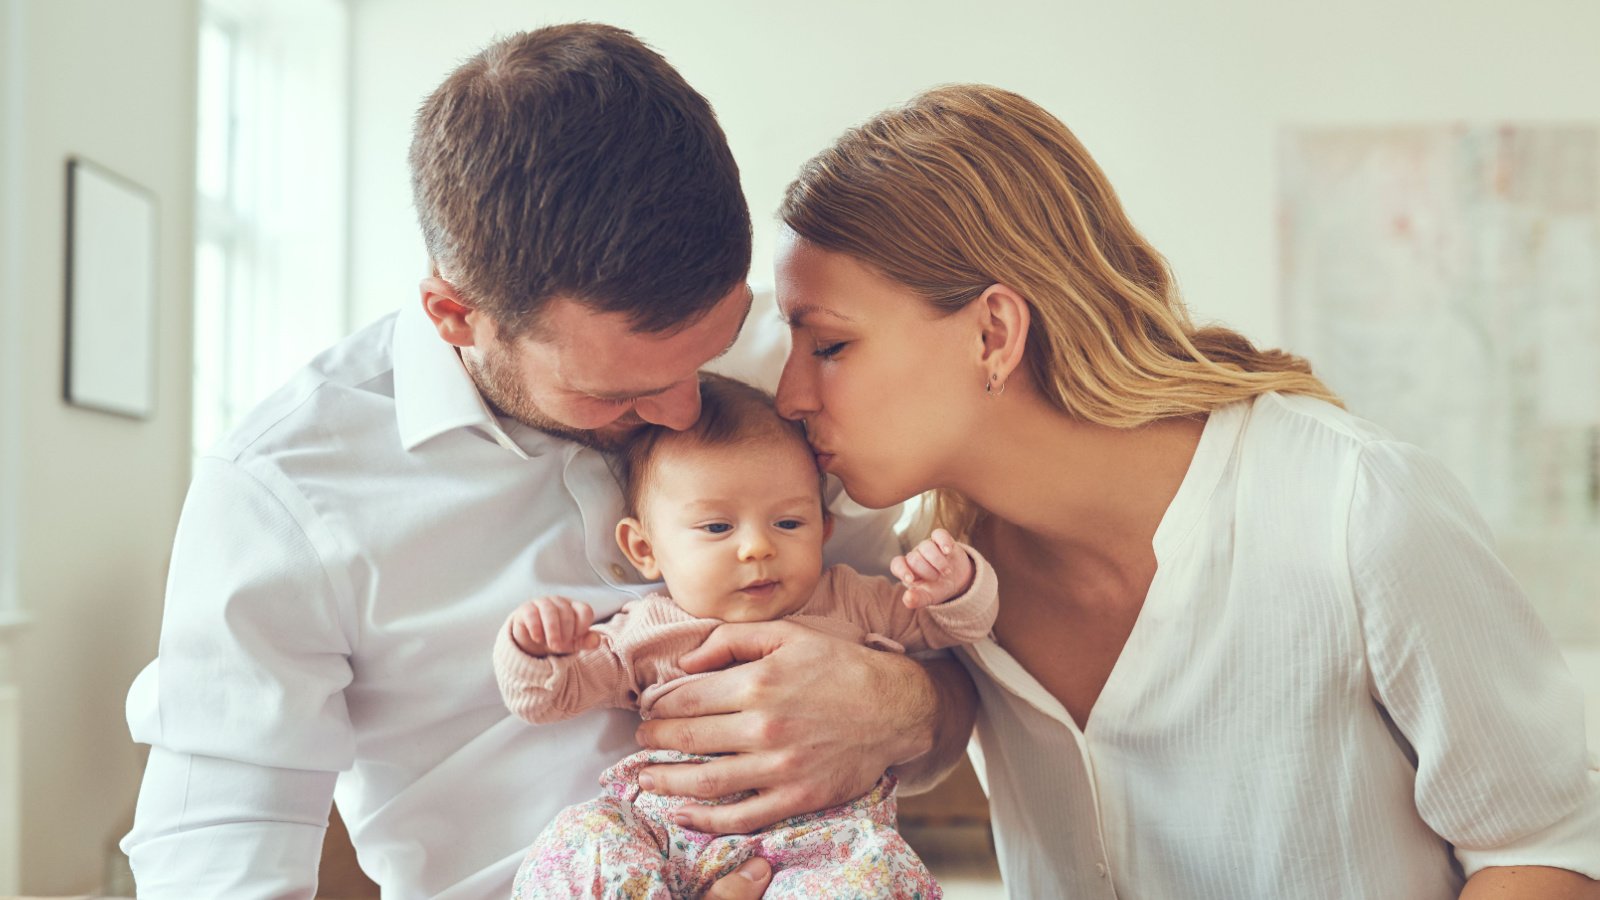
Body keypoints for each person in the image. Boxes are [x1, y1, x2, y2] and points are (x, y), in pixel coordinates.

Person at [120, 26, 975, 899]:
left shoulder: (789, 369)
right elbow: (218, 851)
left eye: (708, 353)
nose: (684, 409)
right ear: (454, 314)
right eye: (619, 390)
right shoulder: (285, 488)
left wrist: (898, 705)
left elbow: (948, 690)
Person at [758, 83, 1600, 898]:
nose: (791, 395)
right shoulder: (930, 575)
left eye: (828, 346)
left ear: (994, 332)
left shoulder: (1356, 510)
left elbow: (1549, 846)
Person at [495, 374, 996, 898]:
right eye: (717, 528)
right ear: (644, 549)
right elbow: (548, 699)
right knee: (581, 838)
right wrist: (535, 649)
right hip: (665, 839)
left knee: (879, 875)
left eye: (787, 523)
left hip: (827, 846)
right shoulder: (648, 630)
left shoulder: (850, 599)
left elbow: (954, 628)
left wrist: (954, 585)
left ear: (824, 528)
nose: (757, 547)